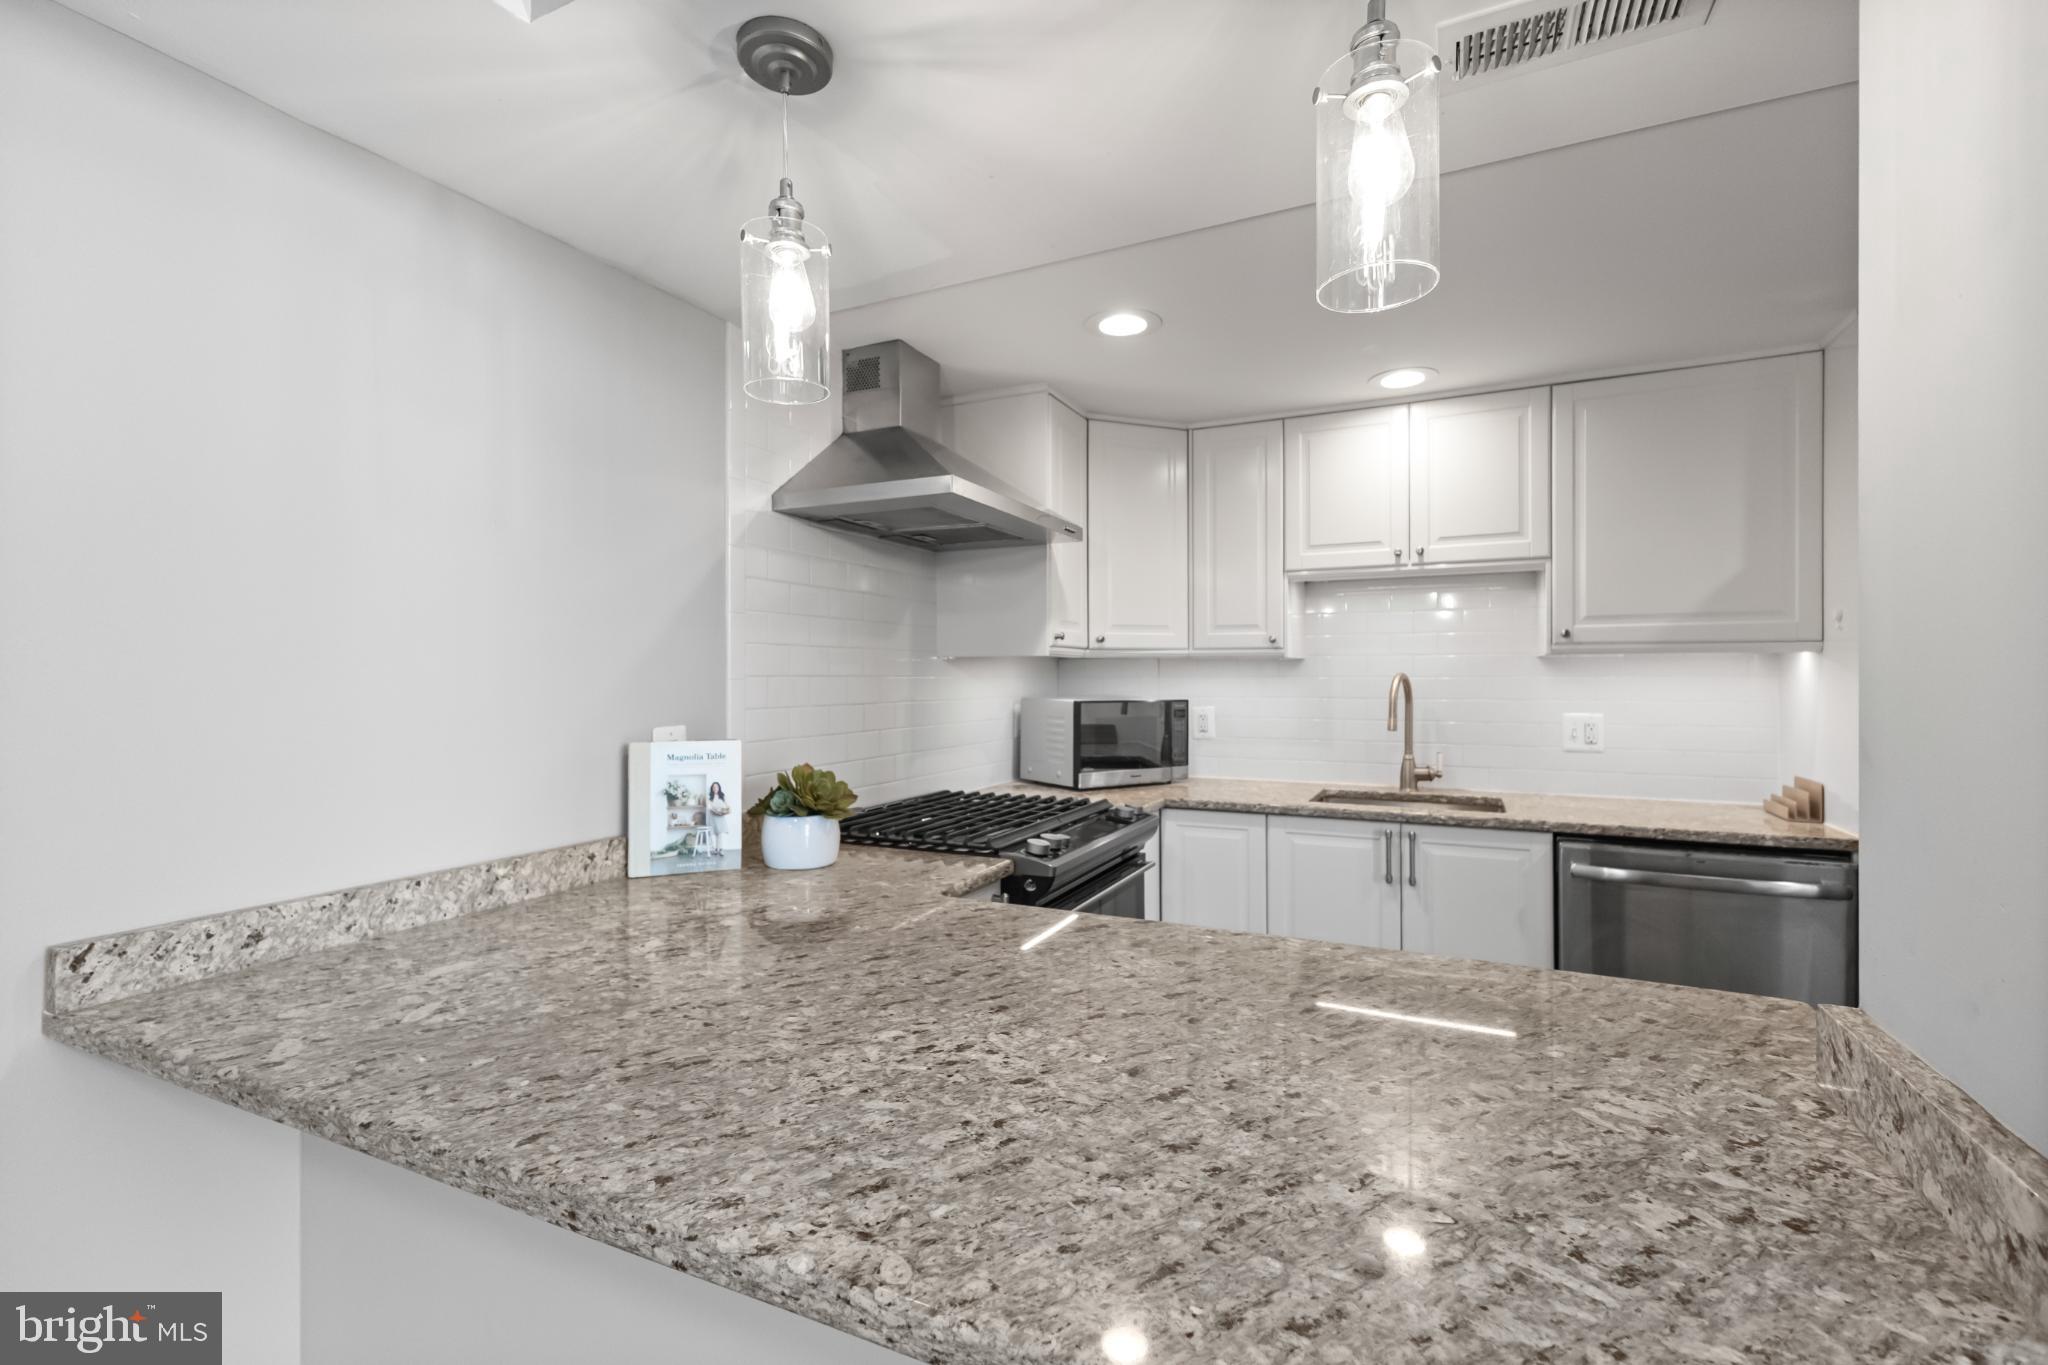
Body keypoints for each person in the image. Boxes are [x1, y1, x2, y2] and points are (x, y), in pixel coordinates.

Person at [706, 781, 732, 849]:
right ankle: (715, 849)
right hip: (713, 817)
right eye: (713, 787)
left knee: (720, 834)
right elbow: (709, 808)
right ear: (712, 789)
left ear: (719, 788)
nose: (715, 788)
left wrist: (725, 810)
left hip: (720, 818)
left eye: (716, 787)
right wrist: (715, 810)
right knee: (714, 834)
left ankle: (720, 849)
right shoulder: (709, 798)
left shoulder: (722, 796)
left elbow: (728, 807)